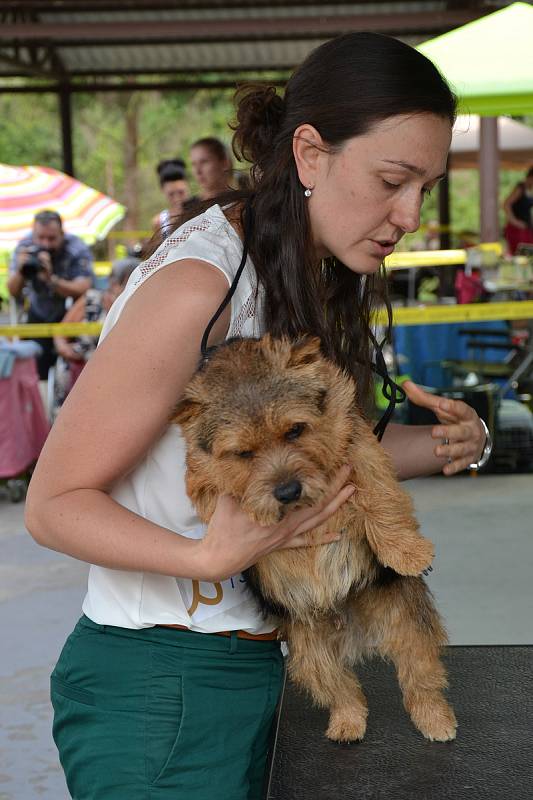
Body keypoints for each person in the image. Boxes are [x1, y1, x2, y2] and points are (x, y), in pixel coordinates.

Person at [25, 32, 488, 800]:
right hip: (162, 686)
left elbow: (317, 460)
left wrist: (449, 443)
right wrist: (210, 555)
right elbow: (54, 505)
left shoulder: (300, 268)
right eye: (391, 180)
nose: (408, 214)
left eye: (426, 188)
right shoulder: (197, 285)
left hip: (264, 663)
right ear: (310, 155)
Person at [7, 209, 94, 379]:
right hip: (37, 314)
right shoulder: (24, 247)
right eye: (40, 238)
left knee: (76, 374)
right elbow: (12, 290)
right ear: (33, 234)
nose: (45, 244)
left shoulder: (76, 248)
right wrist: (20, 271)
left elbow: (85, 288)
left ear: (62, 233)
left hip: (70, 316)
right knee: (32, 372)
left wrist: (51, 280)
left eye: (52, 238)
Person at [52, 257, 140, 410]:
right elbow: (61, 332)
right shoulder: (91, 299)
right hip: (79, 364)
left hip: (118, 369)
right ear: (113, 282)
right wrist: (64, 349)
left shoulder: (138, 305)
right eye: (128, 280)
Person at [152, 159, 190, 241]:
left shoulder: (201, 213)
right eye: (171, 194)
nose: (177, 198)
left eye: (181, 192)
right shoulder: (160, 221)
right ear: (162, 191)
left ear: (187, 185)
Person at [189, 136, 233, 203]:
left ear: (224, 163)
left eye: (204, 162)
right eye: (194, 164)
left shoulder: (242, 203)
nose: (198, 171)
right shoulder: (186, 208)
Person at [503, 166, 533, 255]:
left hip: (527, 228)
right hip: (517, 230)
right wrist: (515, 222)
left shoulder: (529, 190)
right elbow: (506, 204)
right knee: (521, 254)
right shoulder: (521, 188)